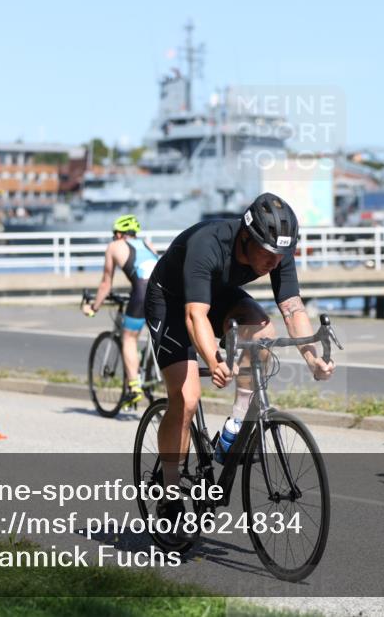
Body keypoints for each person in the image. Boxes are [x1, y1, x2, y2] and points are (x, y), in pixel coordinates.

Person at [145, 193, 334, 534]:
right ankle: (169, 491)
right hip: (172, 302)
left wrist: (312, 358)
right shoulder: (208, 244)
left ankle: (234, 425)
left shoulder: (278, 252)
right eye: (268, 254)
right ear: (246, 237)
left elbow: (292, 307)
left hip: (218, 295)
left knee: (263, 329)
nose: (275, 263)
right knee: (186, 399)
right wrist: (213, 359)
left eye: (281, 255)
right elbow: (194, 314)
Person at [82, 215, 159, 406]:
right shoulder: (148, 244)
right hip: (163, 289)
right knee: (156, 333)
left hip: (141, 291)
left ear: (118, 234)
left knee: (129, 337)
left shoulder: (114, 247)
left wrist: (94, 307)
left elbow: (106, 283)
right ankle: (152, 371)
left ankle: (134, 386)